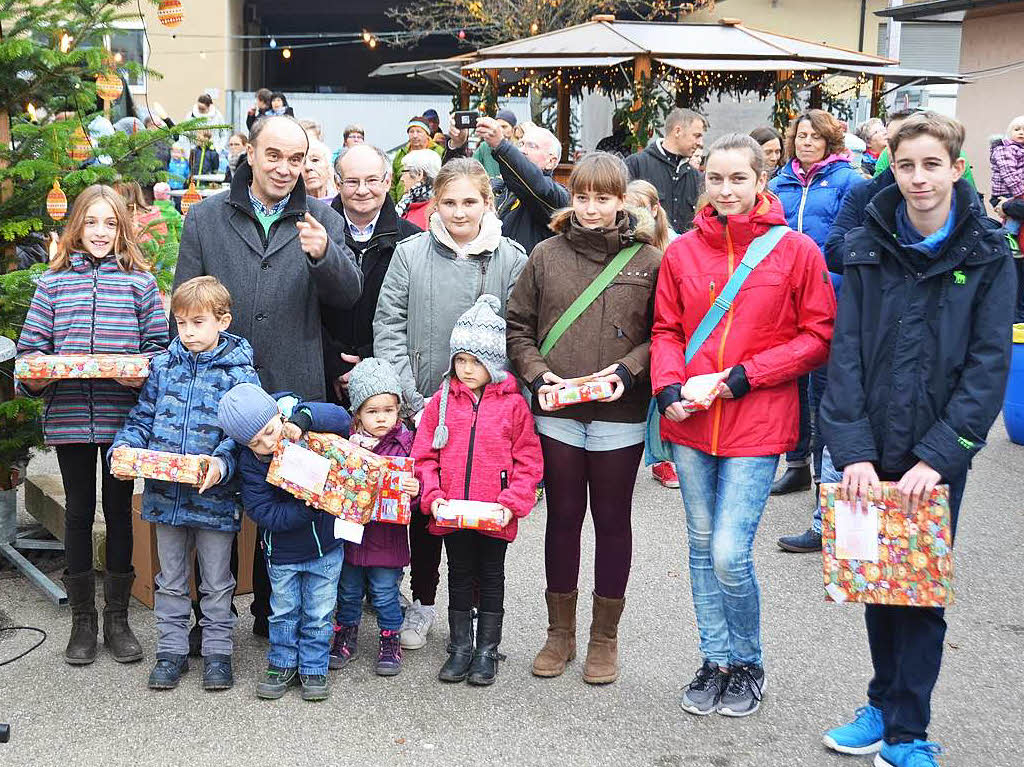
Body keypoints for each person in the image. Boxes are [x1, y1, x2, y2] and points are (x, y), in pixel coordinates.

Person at [820, 112, 1013, 767]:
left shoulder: (988, 252)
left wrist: (943, 453)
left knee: (921, 591)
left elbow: (989, 362)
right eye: (906, 165)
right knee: (878, 581)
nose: (919, 178)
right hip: (871, 448)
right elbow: (844, 350)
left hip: (935, 454)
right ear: (891, 168)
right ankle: (881, 703)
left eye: (932, 164)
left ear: (957, 168)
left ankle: (908, 731)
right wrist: (853, 450)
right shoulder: (869, 241)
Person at [653, 133, 835, 718]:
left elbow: (817, 336)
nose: (727, 191)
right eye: (717, 179)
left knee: (730, 551)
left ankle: (748, 661)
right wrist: (668, 386)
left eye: (739, 179)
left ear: (762, 181)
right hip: (689, 421)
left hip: (755, 419)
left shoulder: (797, 250)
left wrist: (743, 376)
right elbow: (666, 330)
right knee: (702, 549)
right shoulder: (681, 252)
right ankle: (714, 660)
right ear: (703, 181)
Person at [173, 114, 362, 637]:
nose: (284, 168)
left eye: (296, 159)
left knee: (283, 494)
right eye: (273, 155)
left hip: (292, 379)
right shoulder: (206, 218)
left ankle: (268, 609)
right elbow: (183, 306)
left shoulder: (322, 215)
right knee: (215, 496)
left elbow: (348, 296)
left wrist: (326, 256)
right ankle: (208, 614)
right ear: (250, 154)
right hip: (219, 384)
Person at [505, 152, 661, 685]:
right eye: (582, 197)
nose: (591, 208)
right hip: (559, 411)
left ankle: (604, 637)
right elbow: (518, 325)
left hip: (620, 411)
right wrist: (537, 374)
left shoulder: (650, 260)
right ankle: (560, 633)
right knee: (563, 516)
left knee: (613, 520)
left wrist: (630, 369)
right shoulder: (545, 254)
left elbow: (664, 334)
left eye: (603, 198)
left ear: (623, 201)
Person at [374, 158, 527, 651]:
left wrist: (502, 398)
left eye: (470, 201)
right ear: (434, 204)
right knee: (426, 511)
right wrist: (410, 399)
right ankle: (421, 602)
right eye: (449, 202)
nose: (459, 212)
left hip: (486, 409)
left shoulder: (510, 259)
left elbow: (522, 333)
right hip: (423, 400)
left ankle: (480, 615)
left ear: (488, 202)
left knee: (479, 511)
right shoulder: (410, 254)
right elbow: (390, 325)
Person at [16, 184, 169, 665]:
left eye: (110, 223)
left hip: (124, 420)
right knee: (80, 511)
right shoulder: (52, 284)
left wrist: (138, 373)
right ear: (75, 226)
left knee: (121, 510)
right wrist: (37, 377)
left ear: (123, 227)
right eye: (91, 222)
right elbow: (29, 354)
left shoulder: (140, 284)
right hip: (69, 419)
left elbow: (160, 354)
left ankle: (118, 620)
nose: (100, 232)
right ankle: (82, 621)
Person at [109, 276, 259, 691]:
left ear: (222, 321)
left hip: (214, 500)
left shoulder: (239, 373)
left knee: (216, 582)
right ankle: (170, 652)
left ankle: (217, 653)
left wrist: (222, 462)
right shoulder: (162, 367)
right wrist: (123, 451)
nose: (188, 331)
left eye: (197, 322)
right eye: (180, 323)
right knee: (170, 581)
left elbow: (246, 433)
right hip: (164, 498)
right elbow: (141, 419)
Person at [413, 295, 543, 685]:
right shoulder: (440, 403)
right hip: (451, 511)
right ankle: (459, 648)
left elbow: (529, 462)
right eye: (461, 360)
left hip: (494, 513)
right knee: (458, 572)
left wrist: (513, 503)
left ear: (495, 363)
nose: (467, 370)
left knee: (490, 576)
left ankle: (487, 650)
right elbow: (424, 457)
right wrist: (432, 497)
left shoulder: (514, 407)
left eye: (477, 361)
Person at [218, 383, 352, 702]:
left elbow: (341, 418)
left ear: (279, 416)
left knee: (320, 613)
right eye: (256, 442)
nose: (268, 442)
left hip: (326, 548)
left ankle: (314, 667)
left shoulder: (297, 421)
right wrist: (308, 504)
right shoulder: (252, 465)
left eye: (270, 430)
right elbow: (265, 513)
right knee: (284, 612)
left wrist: (304, 419)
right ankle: (281, 663)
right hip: (283, 556)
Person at [767, 109, 864, 505]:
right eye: (801, 135)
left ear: (829, 140)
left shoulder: (847, 181)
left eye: (814, 136)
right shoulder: (780, 182)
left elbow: (846, 238)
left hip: (830, 292)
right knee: (791, 382)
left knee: (824, 386)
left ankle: (828, 473)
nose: (806, 142)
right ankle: (796, 465)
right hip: (786, 295)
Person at [331, 358, 419, 677]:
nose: (381, 418)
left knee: (384, 593)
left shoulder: (405, 445)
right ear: (358, 414)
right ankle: (346, 633)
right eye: (372, 411)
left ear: (398, 409)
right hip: (353, 537)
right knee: (349, 590)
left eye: (388, 410)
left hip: (387, 541)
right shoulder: (347, 447)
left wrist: (415, 488)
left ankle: (389, 637)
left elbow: (419, 485)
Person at [323, 144, 422, 406]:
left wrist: (369, 358)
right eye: (352, 181)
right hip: (323, 377)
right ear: (337, 183)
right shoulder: (317, 233)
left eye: (372, 180)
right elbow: (301, 305)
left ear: (387, 181)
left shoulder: (412, 240)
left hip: (387, 383)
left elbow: (411, 314)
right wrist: (333, 361)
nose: (362, 190)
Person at [624, 179, 680, 490]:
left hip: (665, 326)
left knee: (663, 391)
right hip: (634, 327)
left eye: (640, 210)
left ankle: (662, 458)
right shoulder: (624, 244)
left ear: (655, 209)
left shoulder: (674, 244)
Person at [446, 117, 570, 254]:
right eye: (521, 144)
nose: (522, 150)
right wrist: (457, 146)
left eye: (532, 146)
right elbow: (455, 186)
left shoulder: (558, 196)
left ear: (551, 161)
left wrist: (501, 146)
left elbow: (536, 185)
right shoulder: (498, 187)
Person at [624, 107, 707, 234]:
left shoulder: (696, 177)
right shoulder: (636, 165)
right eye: (696, 136)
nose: (700, 143)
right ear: (678, 131)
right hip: (644, 250)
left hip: (683, 252)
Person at [391, 116, 445, 200]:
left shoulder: (439, 152)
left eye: (419, 132)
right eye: (411, 132)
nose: (415, 135)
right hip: (402, 204)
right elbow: (393, 182)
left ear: (427, 134)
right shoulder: (401, 154)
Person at [989, 114, 1024, 240]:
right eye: (1017, 129)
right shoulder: (1005, 149)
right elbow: (1008, 173)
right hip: (1008, 191)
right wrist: (1020, 193)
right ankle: (1008, 236)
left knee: (1013, 217)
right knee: (1014, 216)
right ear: (1010, 132)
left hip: (1014, 191)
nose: (1021, 133)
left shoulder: (1020, 149)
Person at [396, 148, 441, 229]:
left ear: (419, 174)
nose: (402, 178)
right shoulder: (408, 202)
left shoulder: (432, 212)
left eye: (404, 172)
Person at [473, 108, 517, 177]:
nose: (500, 130)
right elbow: (472, 169)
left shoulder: (518, 150)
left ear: (513, 130)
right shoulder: (484, 147)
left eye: (504, 127)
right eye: (498, 127)